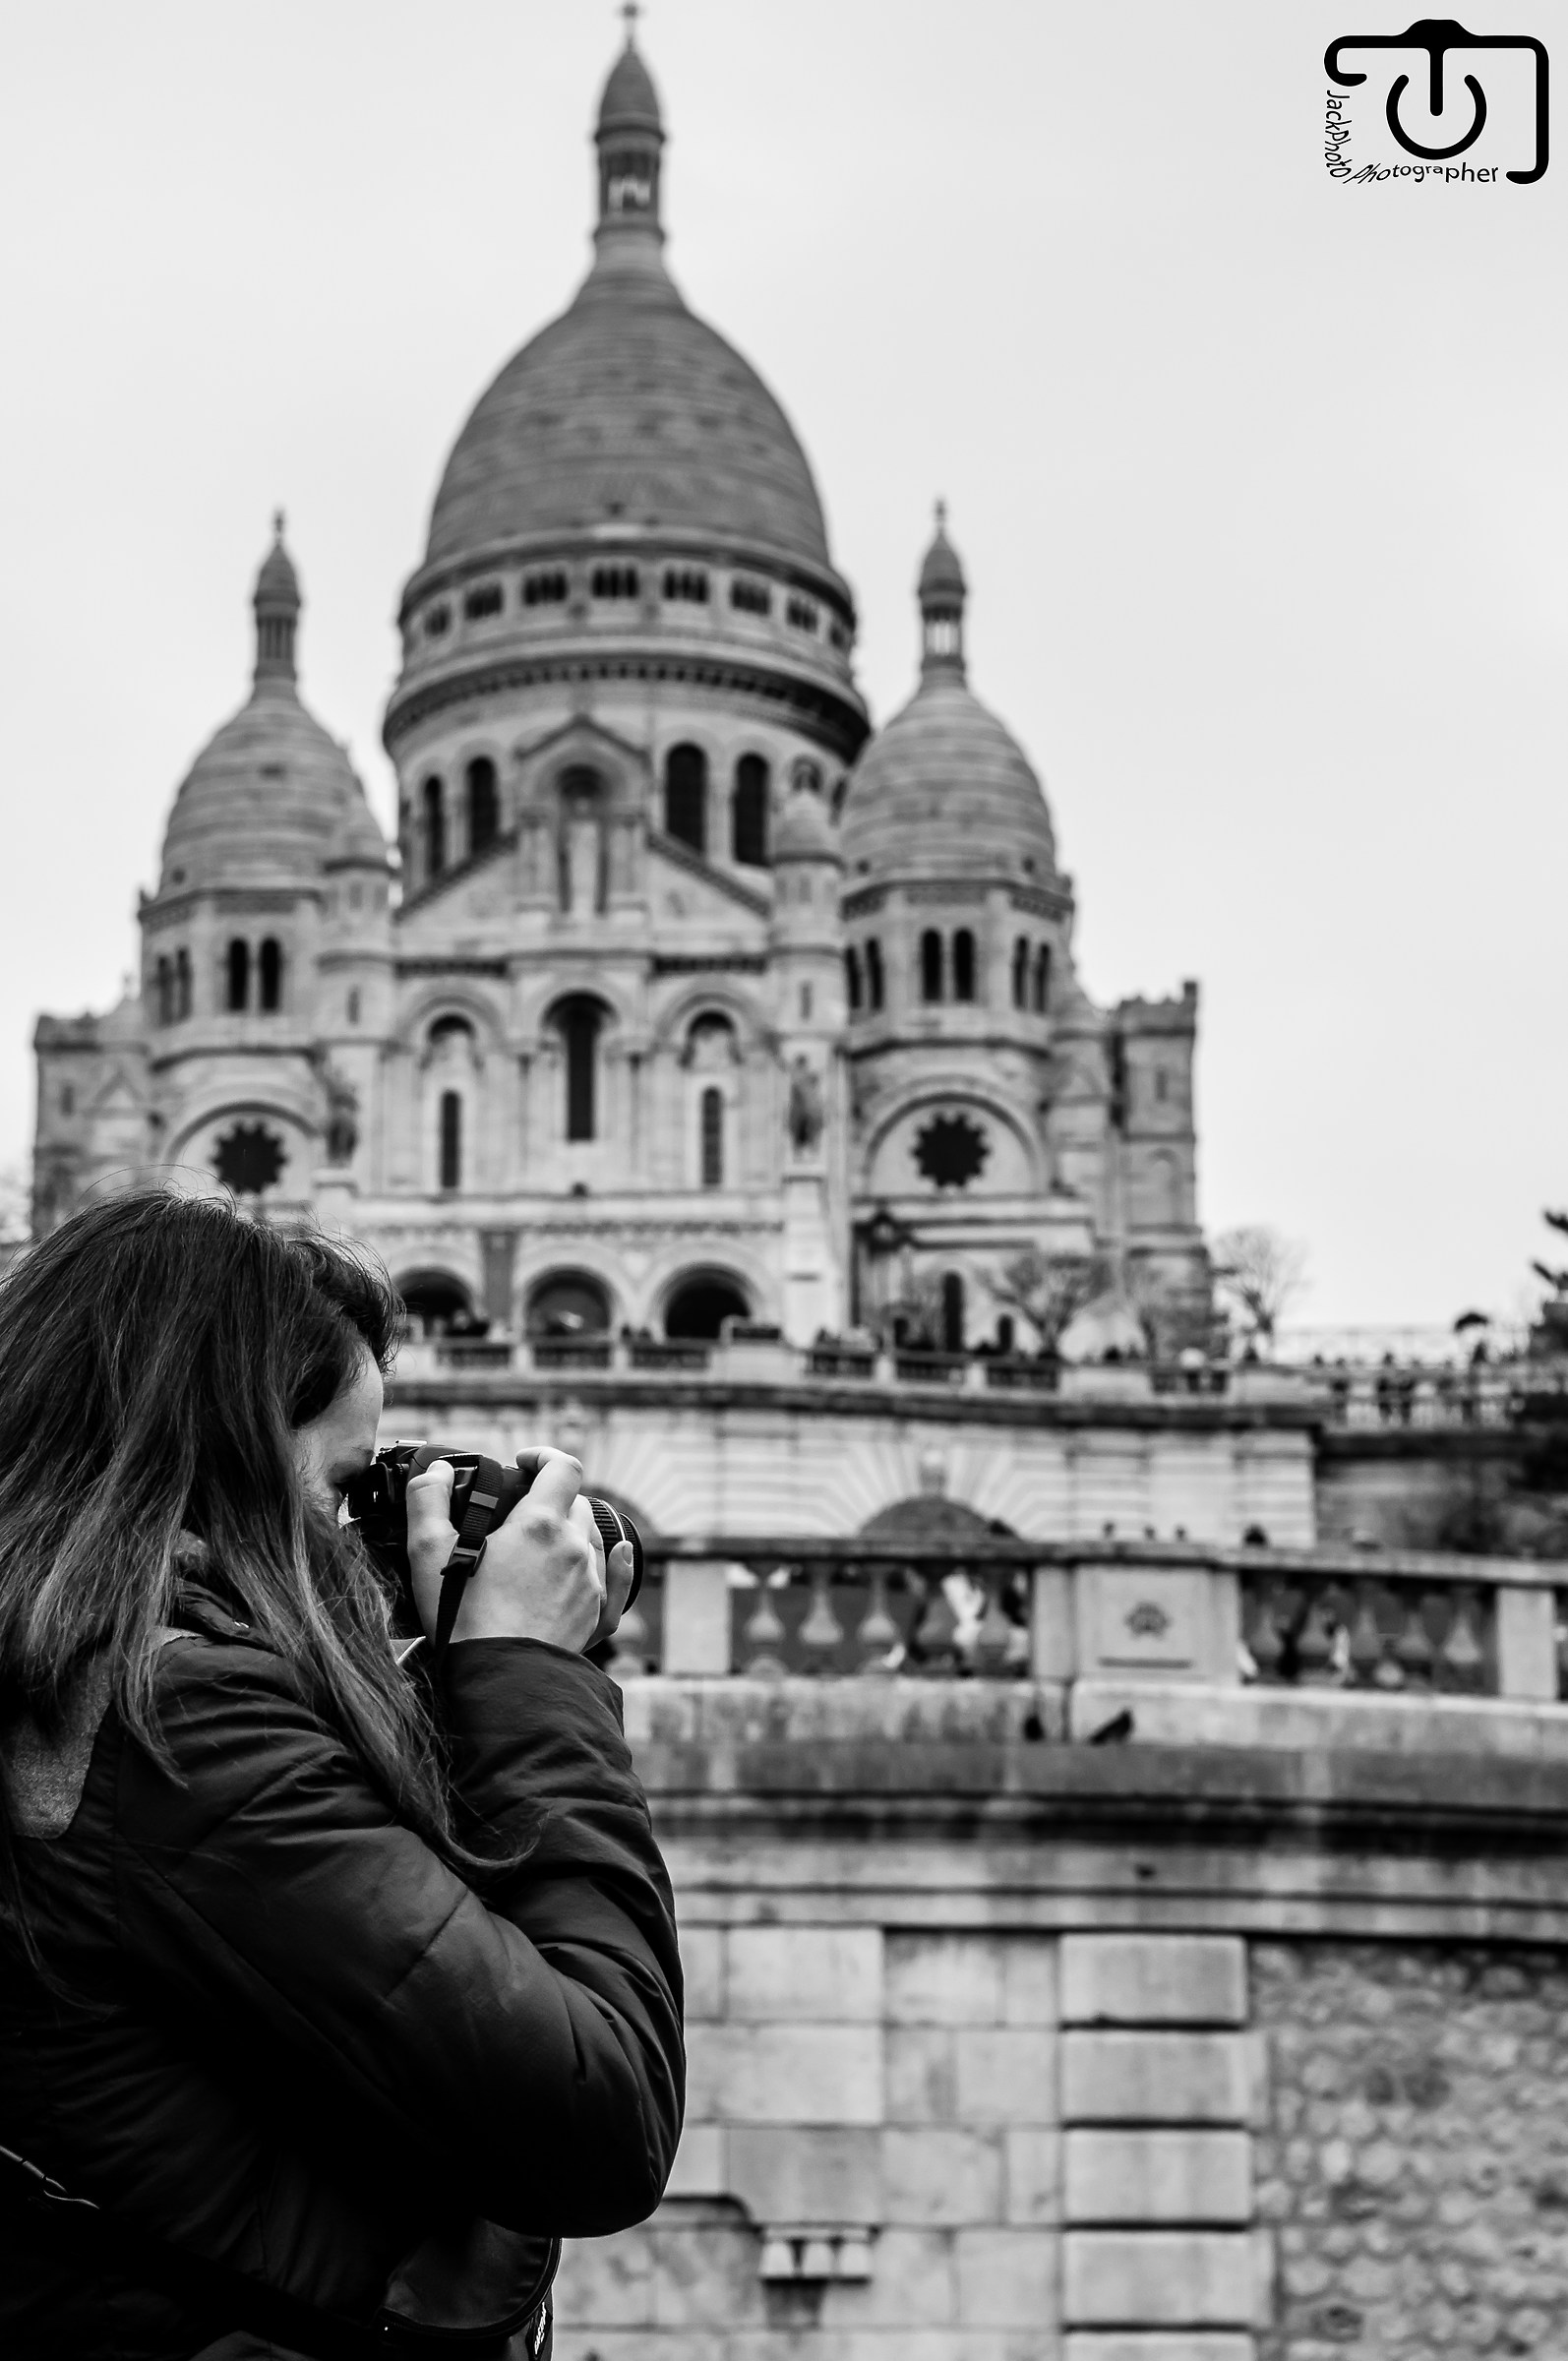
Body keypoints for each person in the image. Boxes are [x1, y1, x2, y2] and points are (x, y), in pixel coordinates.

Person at [0, 1190, 684, 2360]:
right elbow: (598, 2115)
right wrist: (525, 1674)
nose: (347, 1533)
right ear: (221, 1456)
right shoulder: (178, 1724)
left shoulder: (63, 1679)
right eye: (335, 1485)